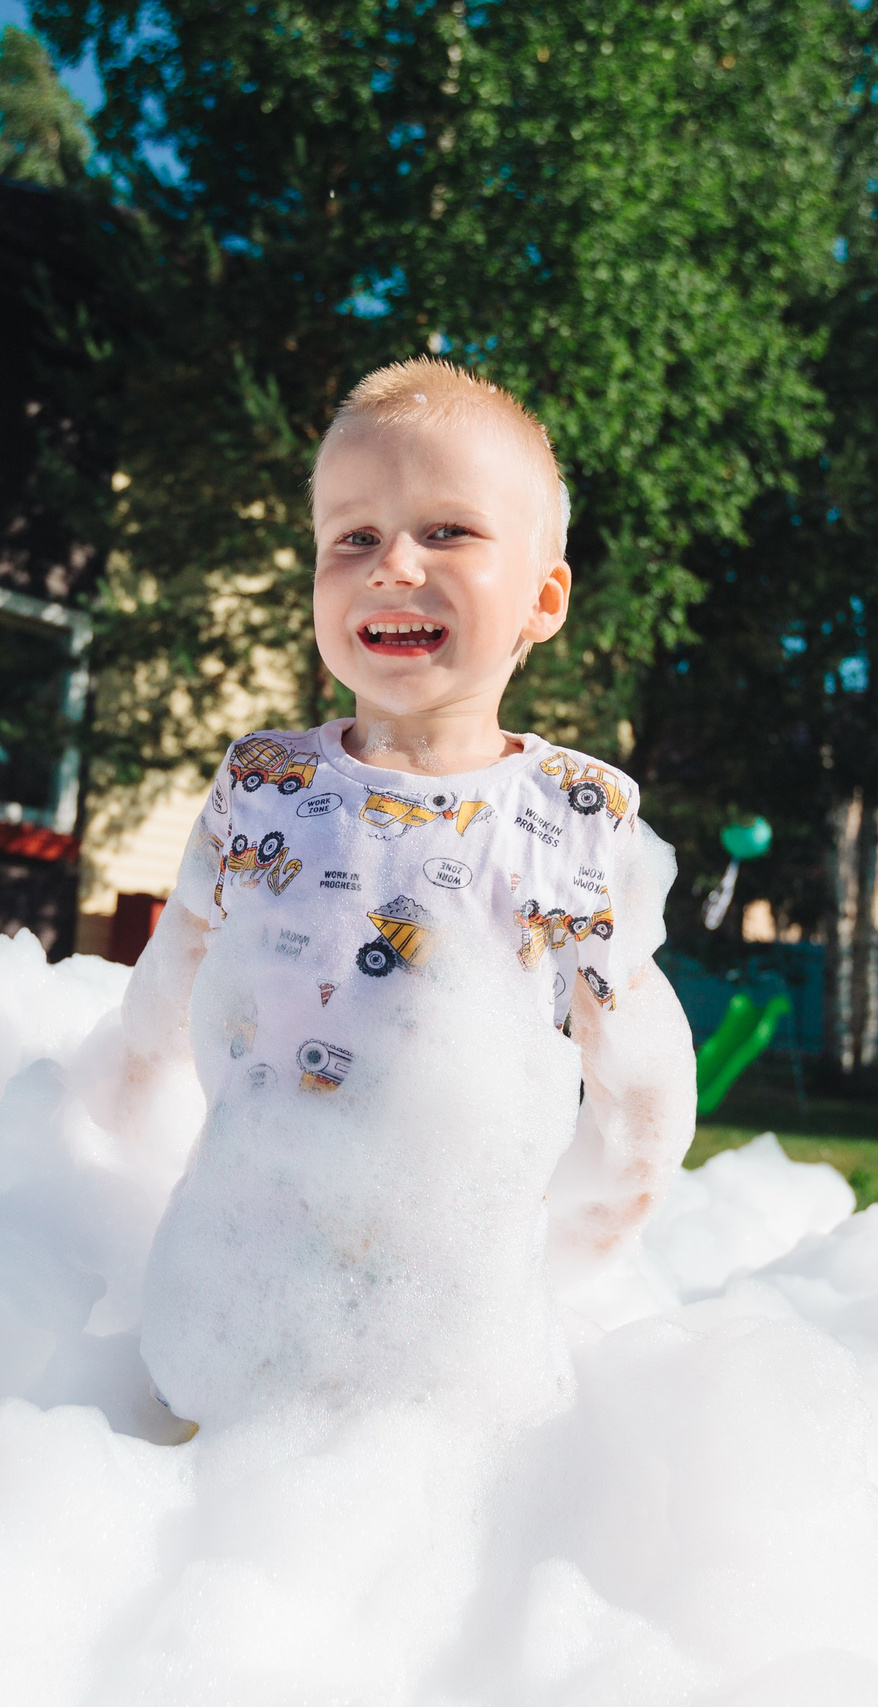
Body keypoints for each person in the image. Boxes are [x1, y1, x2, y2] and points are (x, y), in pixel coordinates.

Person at [102, 358, 695, 1434]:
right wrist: (102, 1129)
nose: (392, 566)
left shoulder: (567, 817)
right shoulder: (264, 784)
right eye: (353, 538)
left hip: (449, 1345)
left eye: (447, 532)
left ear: (542, 599)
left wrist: (588, 1255)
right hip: (228, 1298)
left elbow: (640, 1079)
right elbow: (173, 974)